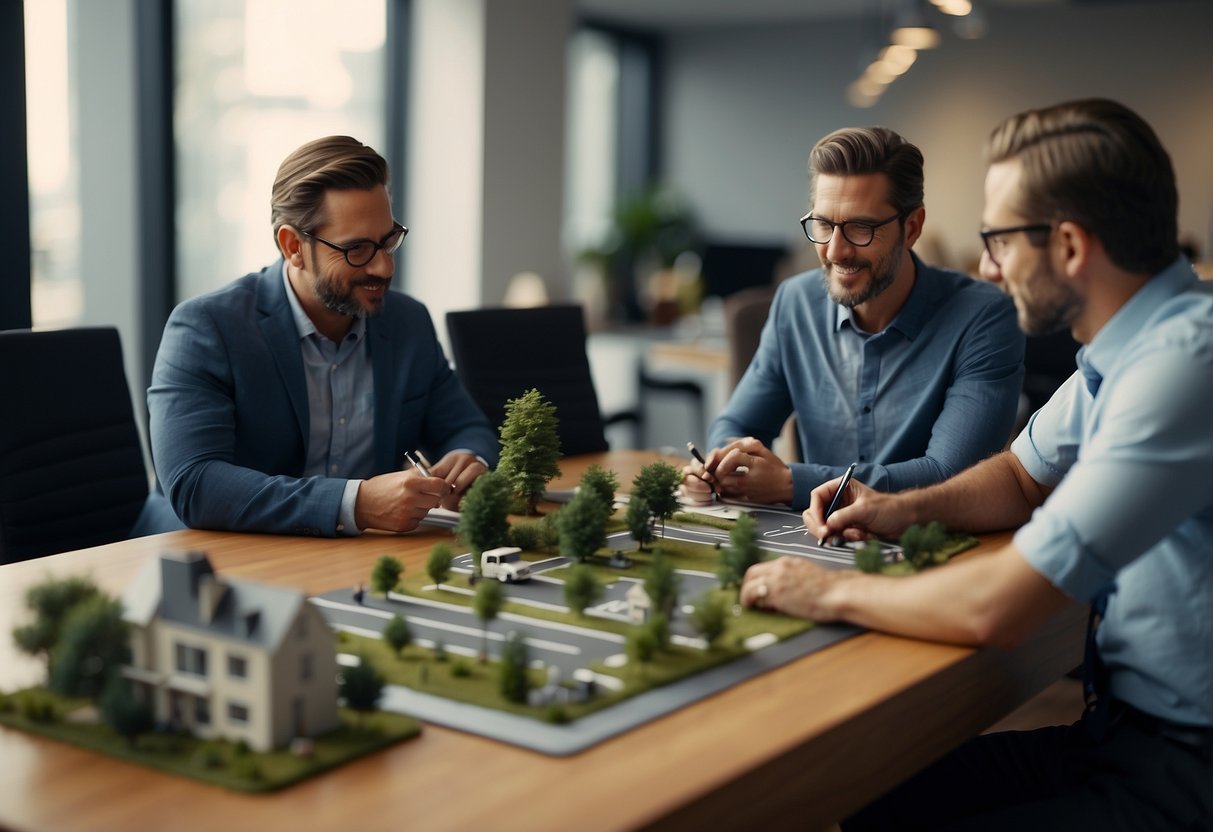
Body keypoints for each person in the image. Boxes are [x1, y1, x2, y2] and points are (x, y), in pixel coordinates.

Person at [742, 99, 1212, 829]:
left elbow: (999, 608)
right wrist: (895, 506)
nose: (987, 266)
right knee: (871, 800)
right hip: (1120, 732)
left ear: (1067, 246)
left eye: (998, 239)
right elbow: (1022, 476)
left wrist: (821, 594)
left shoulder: (1183, 368)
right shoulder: (1127, 351)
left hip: (1188, 768)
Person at [148, 136, 498, 536]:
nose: (384, 267)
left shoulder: (408, 322)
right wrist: (355, 503)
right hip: (223, 558)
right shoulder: (207, 328)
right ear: (293, 246)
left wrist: (468, 460)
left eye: (388, 241)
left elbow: (468, 428)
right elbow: (195, 484)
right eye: (358, 250)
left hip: (357, 558)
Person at [684, 127, 1024, 511]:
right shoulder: (795, 304)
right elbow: (736, 427)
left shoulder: (984, 317)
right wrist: (720, 466)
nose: (835, 251)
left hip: (932, 545)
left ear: (911, 228)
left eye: (861, 228)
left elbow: (950, 476)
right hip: (813, 538)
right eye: (825, 225)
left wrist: (790, 483)